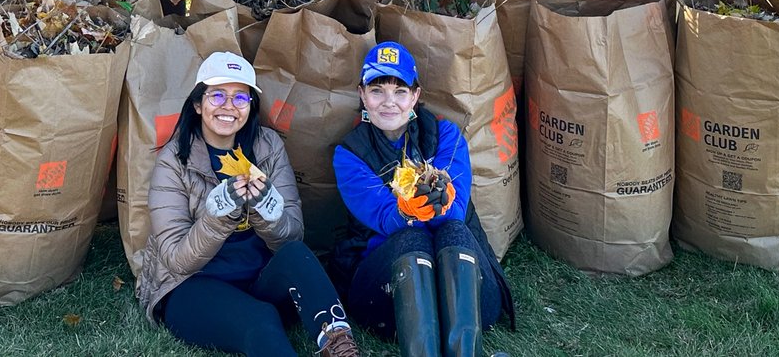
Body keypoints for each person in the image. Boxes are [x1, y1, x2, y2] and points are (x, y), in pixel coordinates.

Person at [136, 51, 361, 357]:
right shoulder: (173, 161)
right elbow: (177, 261)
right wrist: (217, 216)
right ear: (198, 104)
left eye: (240, 97)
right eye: (217, 95)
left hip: (258, 278)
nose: (229, 106)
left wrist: (268, 212)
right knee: (261, 320)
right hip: (192, 285)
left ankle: (338, 341)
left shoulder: (268, 146)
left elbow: (291, 237)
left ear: (250, 106)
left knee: (297, 254)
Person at [332, 42, 515, 357]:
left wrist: (436, 201)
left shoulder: (446, 135)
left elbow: (454, 213)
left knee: (454, 230)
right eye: (377, 91)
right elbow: (385, 218)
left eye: (400, 91)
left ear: (415, 96)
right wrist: (407, 211)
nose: (389, 102)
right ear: (362, 95)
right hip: (387, 298)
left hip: (468, 296)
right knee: (411, 237)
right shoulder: (349, 155)